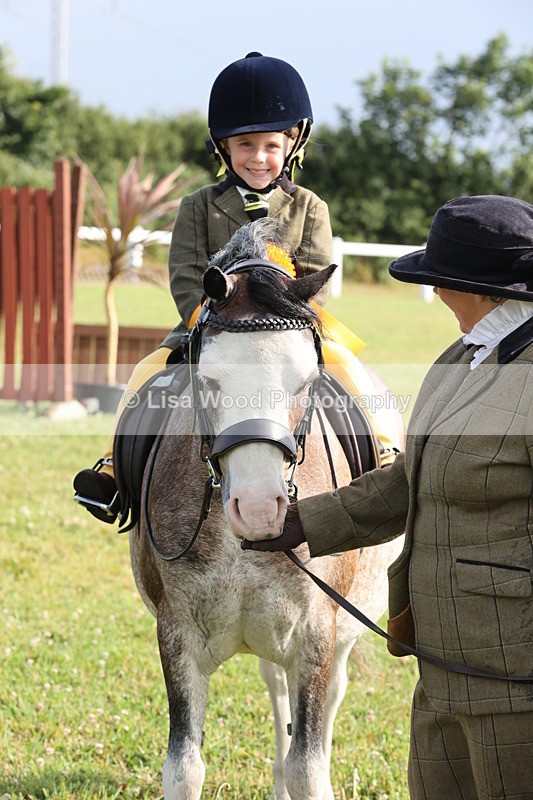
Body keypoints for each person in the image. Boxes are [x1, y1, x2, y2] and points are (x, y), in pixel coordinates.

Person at [243, 194, 533, 800]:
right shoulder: (462, 358)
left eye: (438, 280)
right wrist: (303, 523)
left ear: (475, 288)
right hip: (440, 666)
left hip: (516, 679)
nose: (434, 293)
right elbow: (411, 479)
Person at [74, 52, 399, 524]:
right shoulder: (198, 205)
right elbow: (185, 275)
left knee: (349, 365)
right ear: (224, 148)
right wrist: (206, 318)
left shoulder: (309, 206)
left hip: (289, 326)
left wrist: (289, 318)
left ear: (292, 144)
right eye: (246, 145)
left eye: (270, 145)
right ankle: (112, 468)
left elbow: (318, 277)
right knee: (146, 370)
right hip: (211, 325)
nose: (259, 157)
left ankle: (383, 452)